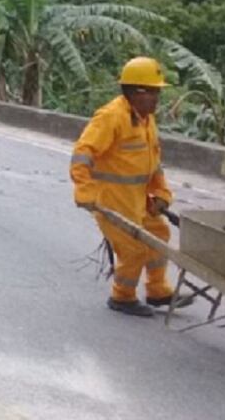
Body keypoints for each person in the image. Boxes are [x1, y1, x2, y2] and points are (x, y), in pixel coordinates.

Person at [70, 57, 190, 317]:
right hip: (111, 200)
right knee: (133, 249)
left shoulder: (146, 119)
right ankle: (122, 297)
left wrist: (161, 193)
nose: (158, 98)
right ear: (138, 91)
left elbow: (154, 163)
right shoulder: (111, 117)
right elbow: (83, 154)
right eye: (155, 92)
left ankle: (158, 290)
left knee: (159, 233)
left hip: (137, 199)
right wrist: (85, 192)